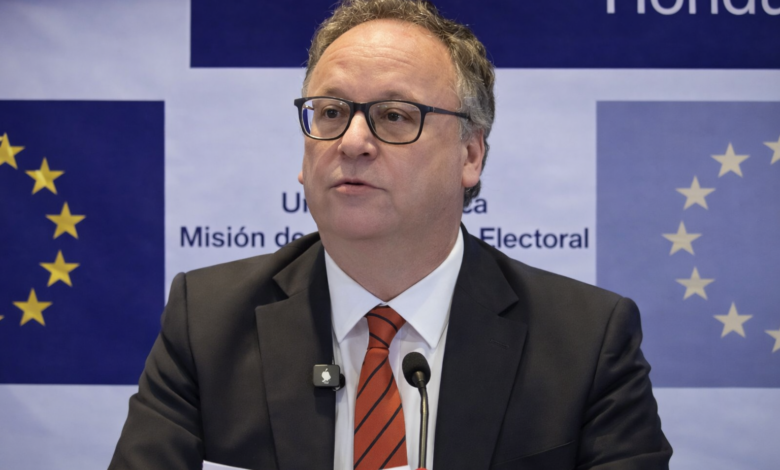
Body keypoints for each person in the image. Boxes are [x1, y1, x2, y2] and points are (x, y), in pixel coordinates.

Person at [109, 1, 672, 469]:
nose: (352, 142)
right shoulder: (208, 322)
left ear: (470, 155)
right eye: (331, 113)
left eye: (394, 116)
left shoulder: (586, 341)